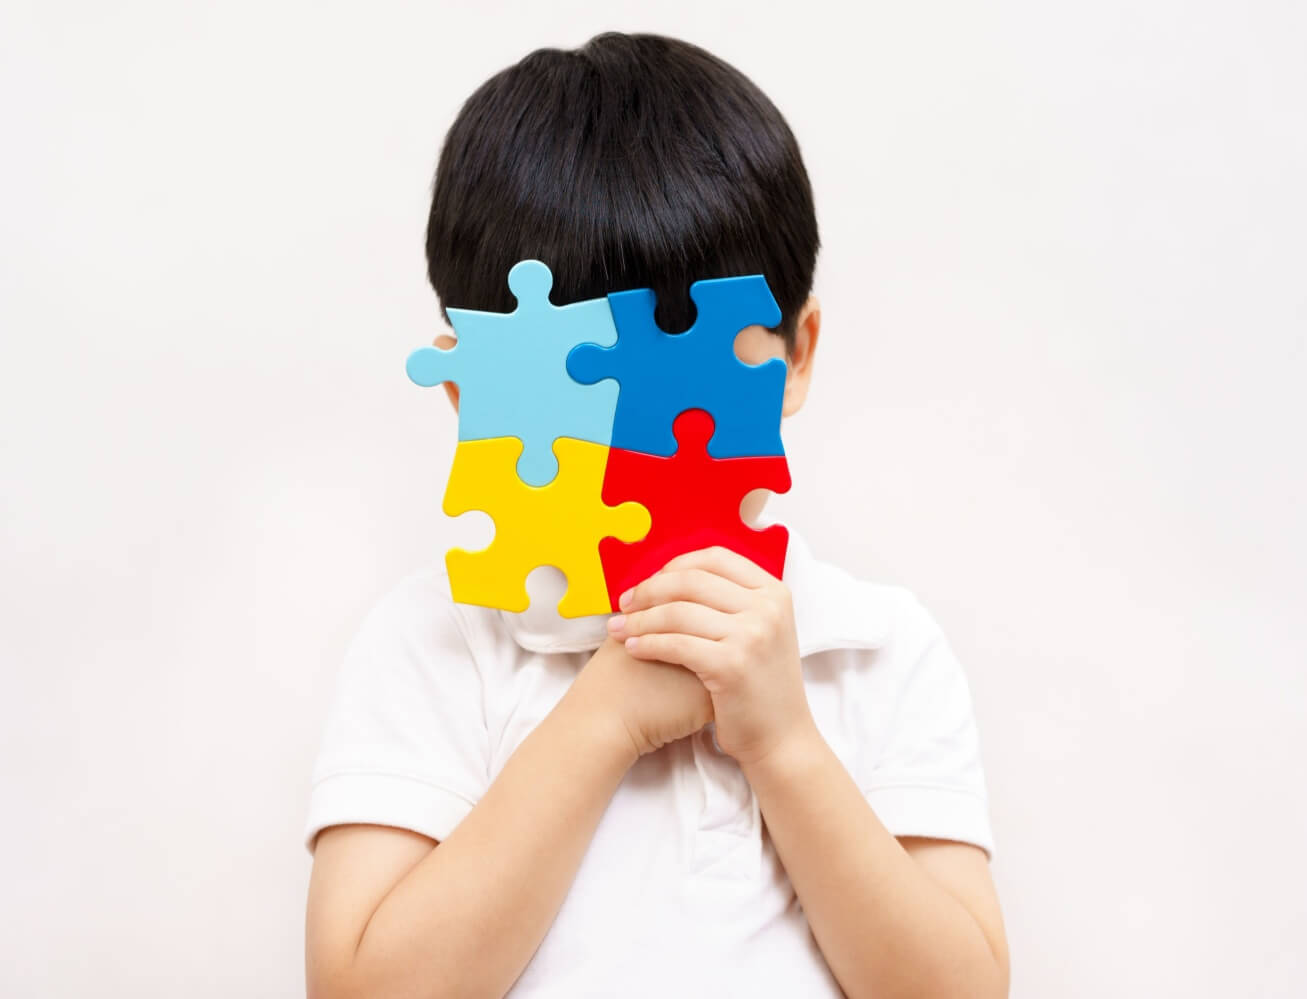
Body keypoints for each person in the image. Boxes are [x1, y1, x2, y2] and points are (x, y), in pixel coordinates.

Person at [303, 31, 1009, 999]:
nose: (637, 425)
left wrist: (782, 743)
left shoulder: (874, 651)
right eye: (579, 373)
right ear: (473, 388)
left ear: (795, 355)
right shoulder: (434, 645)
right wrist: (604, 716)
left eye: (685, 363)